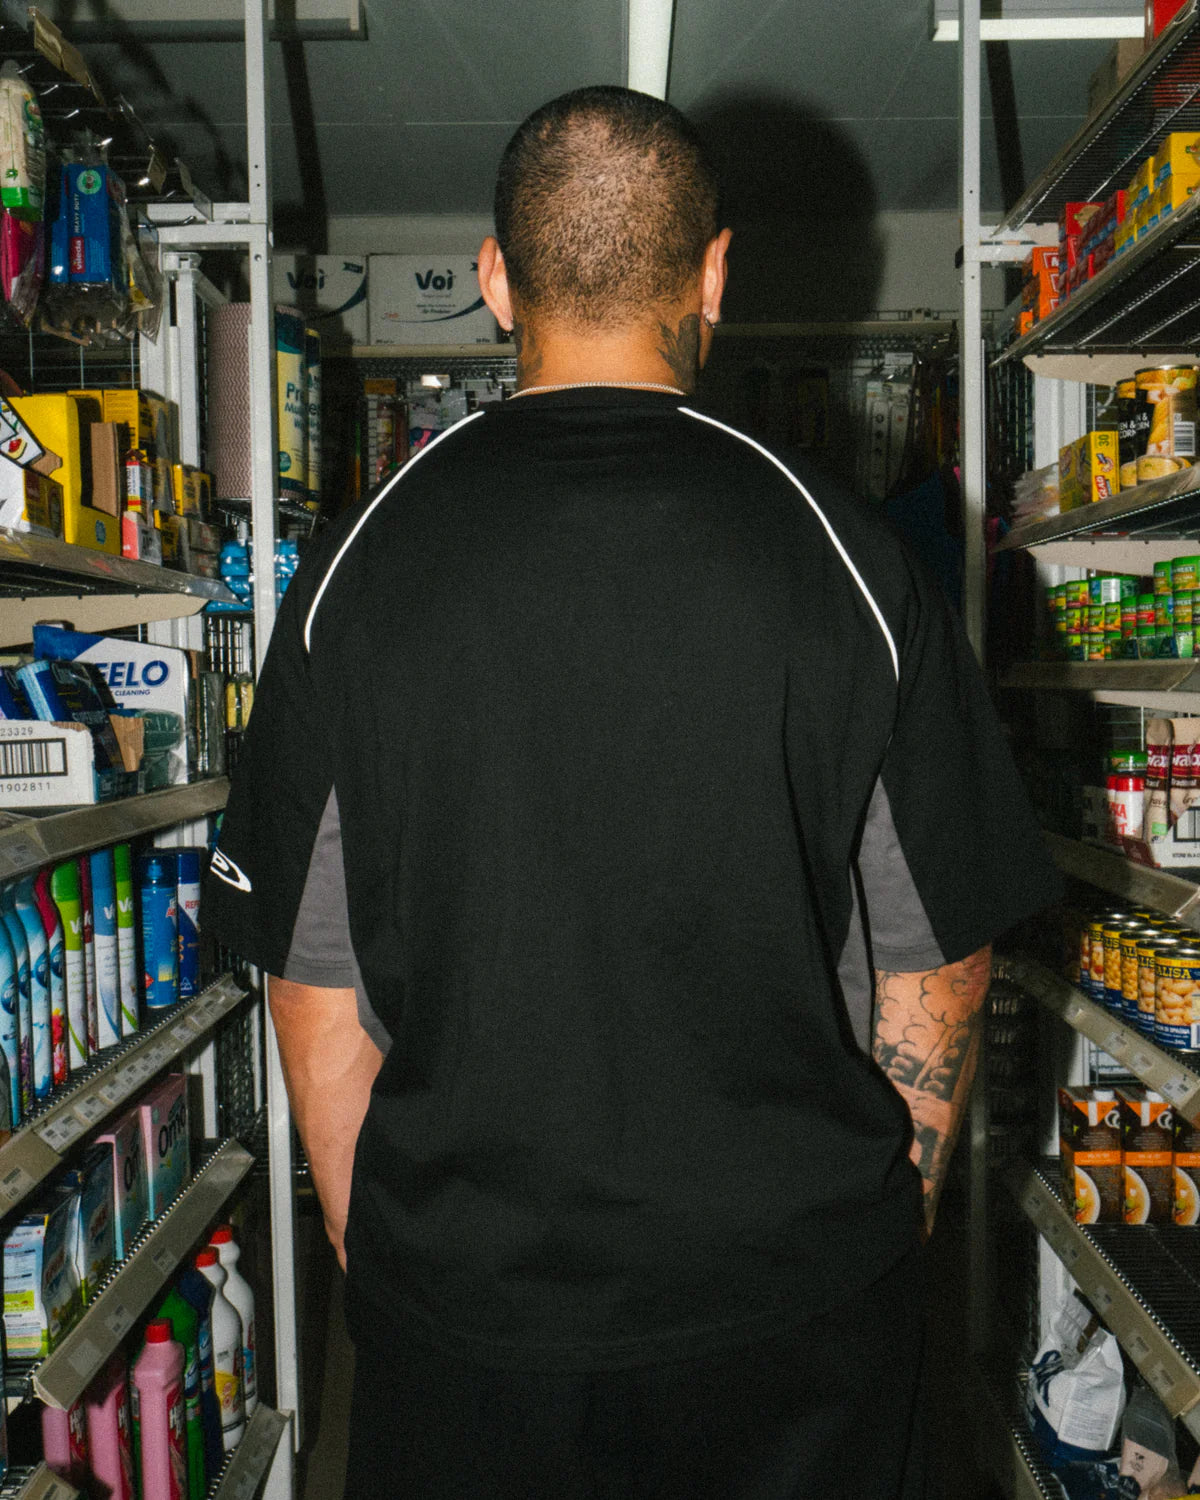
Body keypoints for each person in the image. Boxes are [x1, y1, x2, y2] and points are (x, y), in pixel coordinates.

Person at [203, 85, 1059, 1498]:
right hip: (796, 1310)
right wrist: (872, 1214)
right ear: (713, 273)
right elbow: (940, 955)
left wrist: (388, 1244)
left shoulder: (359, 565)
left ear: (495, 278)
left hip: (469, 1321)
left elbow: (310, 976)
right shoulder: (847, 553)